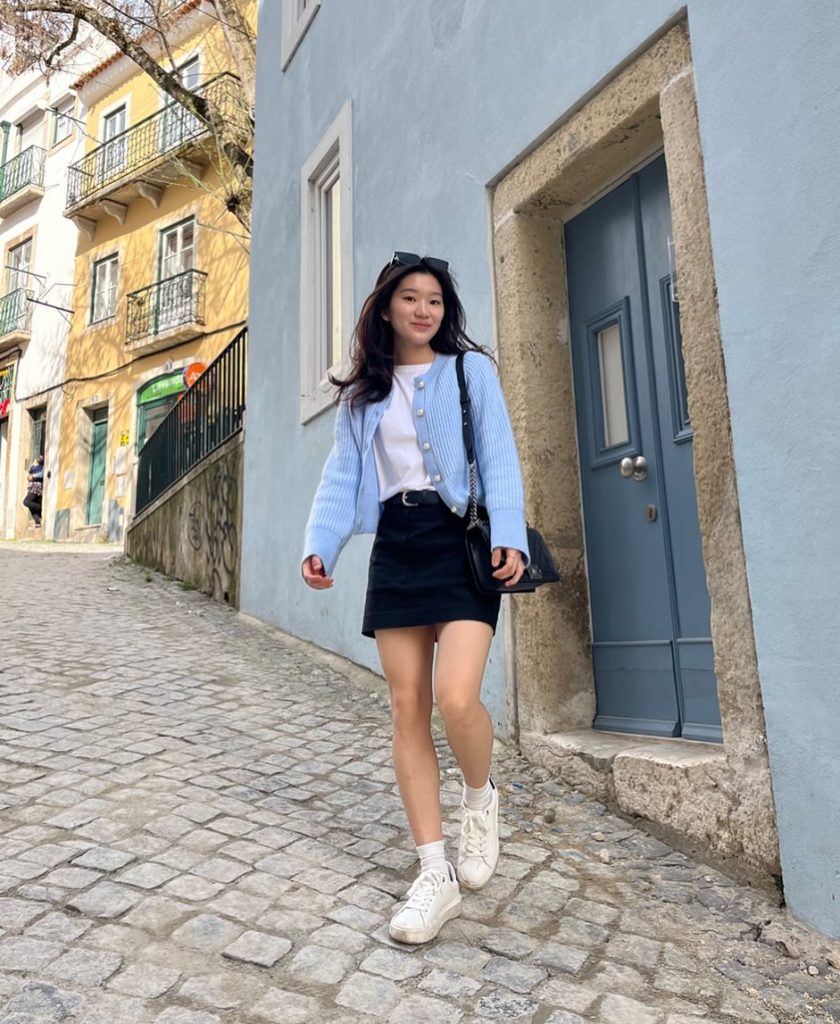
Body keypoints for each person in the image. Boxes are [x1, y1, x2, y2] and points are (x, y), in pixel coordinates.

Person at [301, 252, 529, 944]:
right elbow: (343, 476)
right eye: (411, 298)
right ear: (387, 307)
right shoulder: (360, 395)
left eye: (435, 299)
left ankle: (481, 795)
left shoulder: (470, 371)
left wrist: (511, 534)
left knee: (457, 698)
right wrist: (322, 542)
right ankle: (435, 873)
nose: (424, 309)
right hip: (396, 546)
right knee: (408, 708)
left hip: (460, 542)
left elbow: (500, 457)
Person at [23, 454, 44, 527]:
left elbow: (42, 474)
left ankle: (40, 508)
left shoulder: (42, 467)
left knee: (26, 502)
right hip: (31, 486)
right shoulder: (33, 467)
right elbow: (29, 471)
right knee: (30, 505)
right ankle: (37, 522)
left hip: (37, 487)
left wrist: (33, 476)